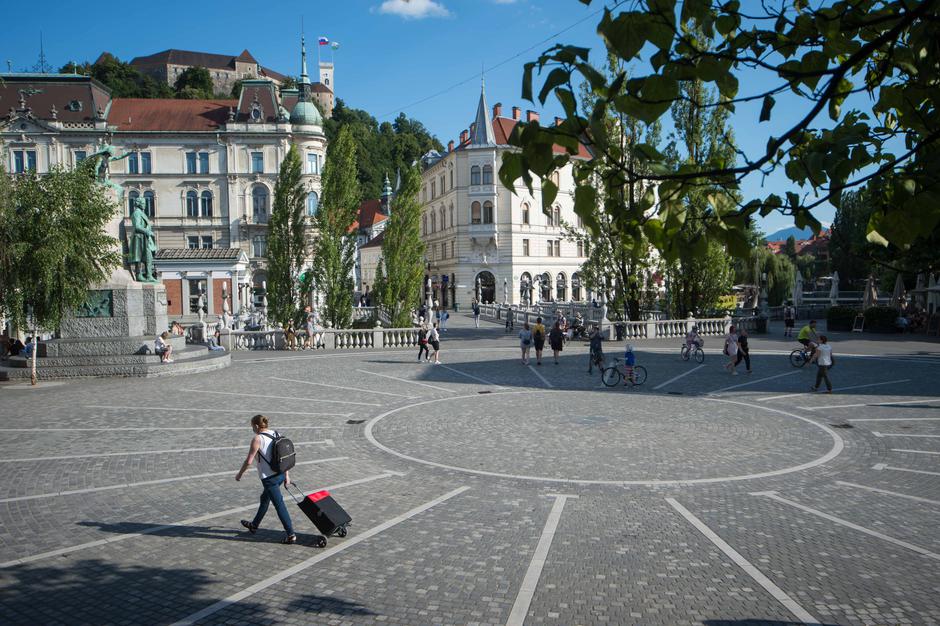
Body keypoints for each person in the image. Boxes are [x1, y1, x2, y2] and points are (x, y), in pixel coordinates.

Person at [237, 414, 296, 544]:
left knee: (279, 505)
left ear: (257, 426)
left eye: (252, 427)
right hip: (280, 474)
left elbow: (249, 461)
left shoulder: (257, 439)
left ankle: (291, 534)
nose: (252, 429)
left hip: (269, 479)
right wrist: (286, 476)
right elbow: (284, 457)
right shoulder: (276, 433)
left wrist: (239, 474)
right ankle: (254, 525)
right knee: (264, 498)